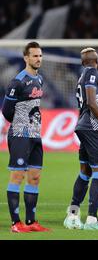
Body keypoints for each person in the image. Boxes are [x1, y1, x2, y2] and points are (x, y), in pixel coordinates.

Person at [64, 47, 98, 231]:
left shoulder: (82, 75)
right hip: (92, 128)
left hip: (82, 126)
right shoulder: (93, 73)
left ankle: (72, 215)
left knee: (85, 172)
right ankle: (92, 220)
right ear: (97, 61)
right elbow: (92, 102)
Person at [2, 42, 50, 233]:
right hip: (20, 134)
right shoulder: (17, 81)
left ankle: (31, 222)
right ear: (26, 58)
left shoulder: (39, 79)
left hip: (35, 135)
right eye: (35, 56)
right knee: (17, 176)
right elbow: (6, 111)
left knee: (35, 177)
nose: (38, 59)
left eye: (40, 55)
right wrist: (21, 123)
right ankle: (16, 223)